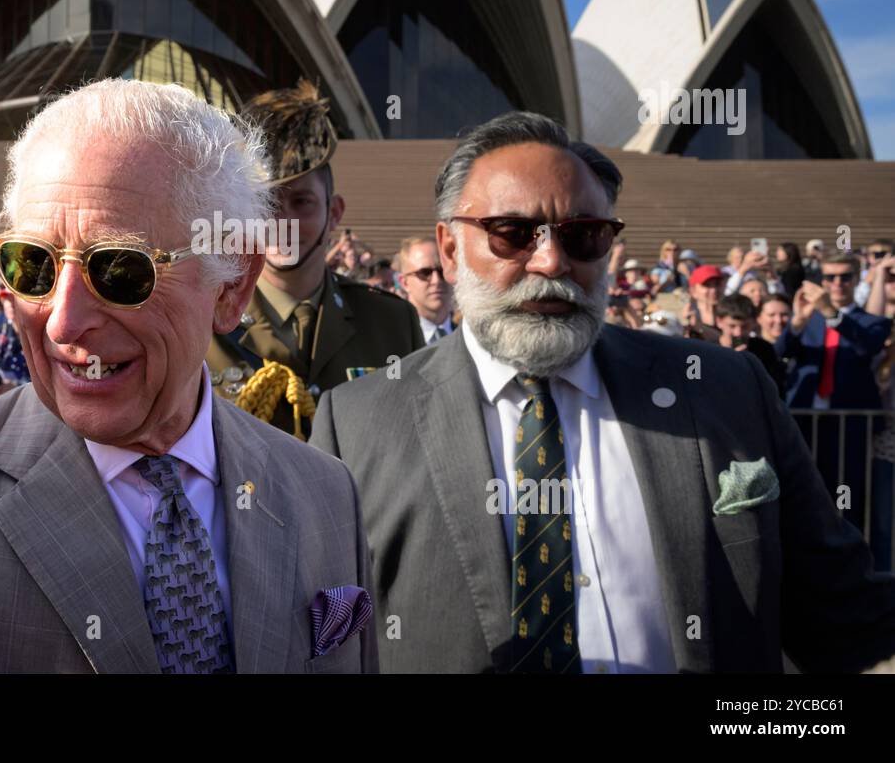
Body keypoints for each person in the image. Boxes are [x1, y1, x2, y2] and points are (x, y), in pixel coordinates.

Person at [0, 80, 376, 674]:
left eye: (120, 269)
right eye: (32, 265)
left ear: (232, 284)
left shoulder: (327, 496)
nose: (63, 322)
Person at [309, 110, 895, 673]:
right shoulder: (359, 423)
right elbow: (320, 644)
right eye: (513, 233)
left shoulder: (725, 391)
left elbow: (845, 618)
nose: (551, 261)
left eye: (583, 235)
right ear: (450, 249)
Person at [206, 80, 423, 438]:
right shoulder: (205, 320)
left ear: (334, 213)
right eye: (266, 204)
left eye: (301, 202)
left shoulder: (391, 323)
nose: (282, 221)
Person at [778, 252, 893, 567]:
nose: (837, 283)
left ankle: (849, 568)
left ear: (857, 280)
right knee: (803, 494)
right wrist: (797, 323)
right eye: (830, 277)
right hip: (805, 422)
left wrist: (831, 312)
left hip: (849, 427)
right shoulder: (808, 318)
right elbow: (781, 352)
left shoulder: (872, 321)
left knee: (848, 496)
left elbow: (867, 347)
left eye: (845, 277)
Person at [715, 294, 786, 396]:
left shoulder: (764, 349)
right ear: (719, 322)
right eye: (732, 326)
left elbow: (774, 388)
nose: (738, 333)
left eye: (745, 326)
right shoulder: (706, 350)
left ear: (753, 323)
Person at [398, 235, 455, 344]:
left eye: (442, 271)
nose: (436, 280)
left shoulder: (472, 340)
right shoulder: (392, 341)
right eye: (425, 273)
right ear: (405, 283)